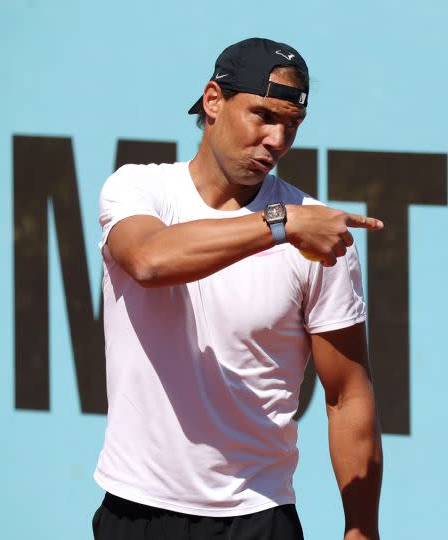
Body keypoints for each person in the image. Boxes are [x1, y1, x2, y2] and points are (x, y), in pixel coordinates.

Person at [91, 37, 384, 540]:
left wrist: (361, 528)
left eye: (291, 125)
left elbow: (347, 395)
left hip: (258, 518)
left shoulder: (315, 236)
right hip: (134, 513)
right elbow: (148, 259)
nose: (276, 139)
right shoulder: (138, 188)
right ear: (212, 101)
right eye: (263, 116)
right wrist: (282, 224)